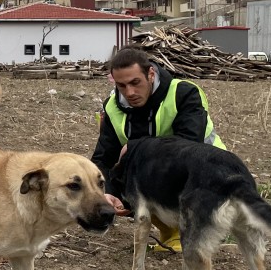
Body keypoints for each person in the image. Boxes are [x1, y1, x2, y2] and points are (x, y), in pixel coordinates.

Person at [91, 46, 224, 252]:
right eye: (122, 86)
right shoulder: (111, 107)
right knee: (126, 178)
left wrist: (135, 147)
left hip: (211, 175)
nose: (130, 92)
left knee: (157, 172)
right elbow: (103, 159)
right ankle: (171, 234)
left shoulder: (184, 93)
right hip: (163, 178)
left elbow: (189, 147)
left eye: (136, 83)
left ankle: (194, 229)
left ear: (151, 74)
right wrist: (107, 193)